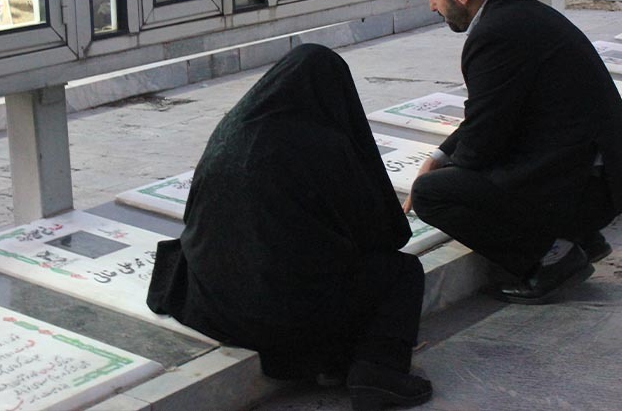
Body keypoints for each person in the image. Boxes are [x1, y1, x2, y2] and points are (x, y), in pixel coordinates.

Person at [148, 44, 432, 410]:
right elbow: (381, 235)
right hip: (280, 312)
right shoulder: (324, 145)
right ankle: (378, 372)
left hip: (211, 301)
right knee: (401, 272)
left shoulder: (231, 129)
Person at [405, 0, 622, 304]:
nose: (432, 6)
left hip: (587, 186)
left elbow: (482, 142)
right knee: (459, 174)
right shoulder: (516, 13)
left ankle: (552, 257)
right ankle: (578, 237)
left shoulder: (494, 35)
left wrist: (442, 176)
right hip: (597, 173)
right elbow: (491, 113)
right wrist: (439, 156)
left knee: (431, 195)